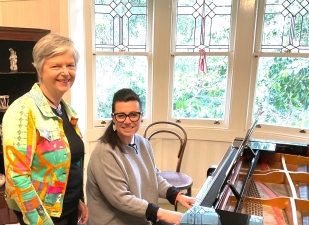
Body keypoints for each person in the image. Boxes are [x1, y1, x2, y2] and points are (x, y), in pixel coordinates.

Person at [2, 34, 88, 225]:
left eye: (70, 65)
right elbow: (17, 176)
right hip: (43, 216)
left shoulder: (66, 111)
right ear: (39, 70)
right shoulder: (24, 109)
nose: (65, 72)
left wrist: (79, 200)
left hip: (69, 208)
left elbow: (71, 163)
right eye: (56, 66)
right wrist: (41, 221)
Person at [86, 88, 196, 225]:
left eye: (133, 114)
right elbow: (121, 199)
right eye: (121, 115)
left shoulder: (144, 144)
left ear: (141, 116)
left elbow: (154, 176)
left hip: (141, 219)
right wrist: (161, 213)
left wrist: (175, 195)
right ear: (113, 118)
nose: (127, 121)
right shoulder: (105, 152)